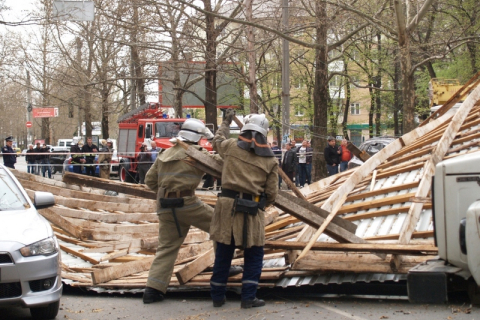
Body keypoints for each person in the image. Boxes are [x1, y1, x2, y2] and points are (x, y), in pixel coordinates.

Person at [142, 118, 242, 304]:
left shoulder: (165, 153)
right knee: (221, 226)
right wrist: (216, 140)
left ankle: (153, 290)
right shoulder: (197, 154)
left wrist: (168, 193)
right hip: (187, 203)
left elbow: (150, 181)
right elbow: (223, 164)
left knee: (167, 247)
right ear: (198, 137)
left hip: (164, 205)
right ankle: (224, 267)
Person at [210, 111, 278, 309]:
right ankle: (248, 298)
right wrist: (259, 205)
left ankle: (217, 296)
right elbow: (272, 193)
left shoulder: (231, 147)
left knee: (224, 251)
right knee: (254, 254)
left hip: (227, 207)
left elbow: (217, 140)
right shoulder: (270, 160)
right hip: (252, 210)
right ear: (264, 134)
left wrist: (226, 122)